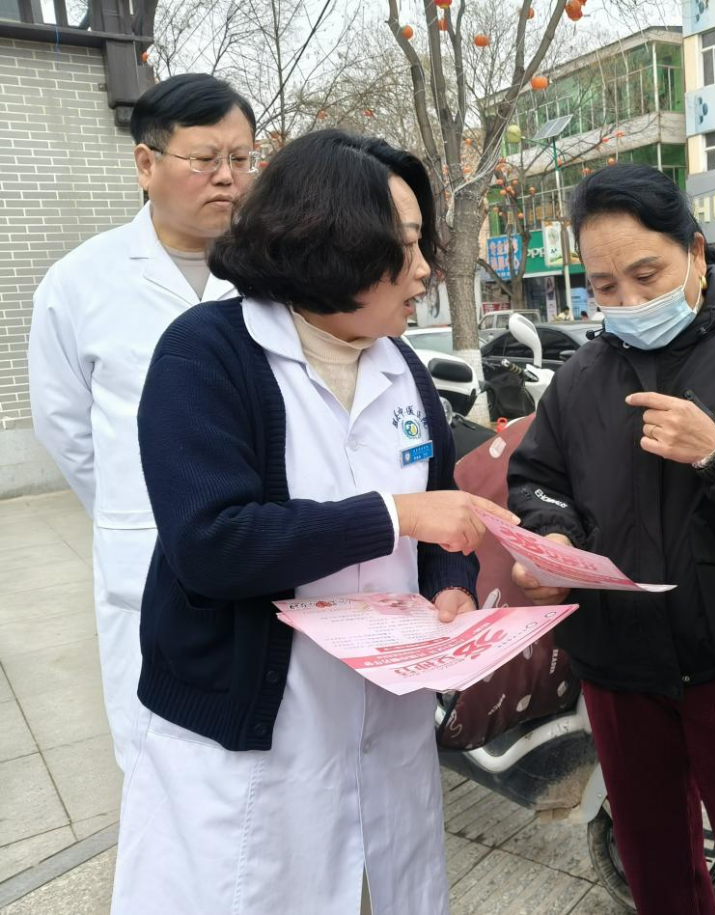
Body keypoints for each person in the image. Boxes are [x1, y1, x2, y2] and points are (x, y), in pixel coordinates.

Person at [109, 130, 515, 914]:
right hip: (257, 745)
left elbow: (437, 518)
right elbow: (211, 542)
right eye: (403, 246)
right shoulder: (208, 354)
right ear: (332, 246)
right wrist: (393, 516)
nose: (425, 270)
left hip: (385, 730)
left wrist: (451, 587)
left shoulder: (401, 367)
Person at [508, 164, 715, 915]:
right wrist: (555, 539)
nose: (629, 303)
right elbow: (537, 479)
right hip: (620, 667)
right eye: (605, 286)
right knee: (655, 871)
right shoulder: (580, 376)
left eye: (646, 275)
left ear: (695, 251)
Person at [28, 74, 257, 772]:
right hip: (146, 554)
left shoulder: (273, 275)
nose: (227, 177)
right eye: (206, 159)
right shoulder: (80, 282)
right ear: (145, 163)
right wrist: (132, 506)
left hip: (261, 548)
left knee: (264, 751)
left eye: (242, 158)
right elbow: (65, 425)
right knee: (158, 756)